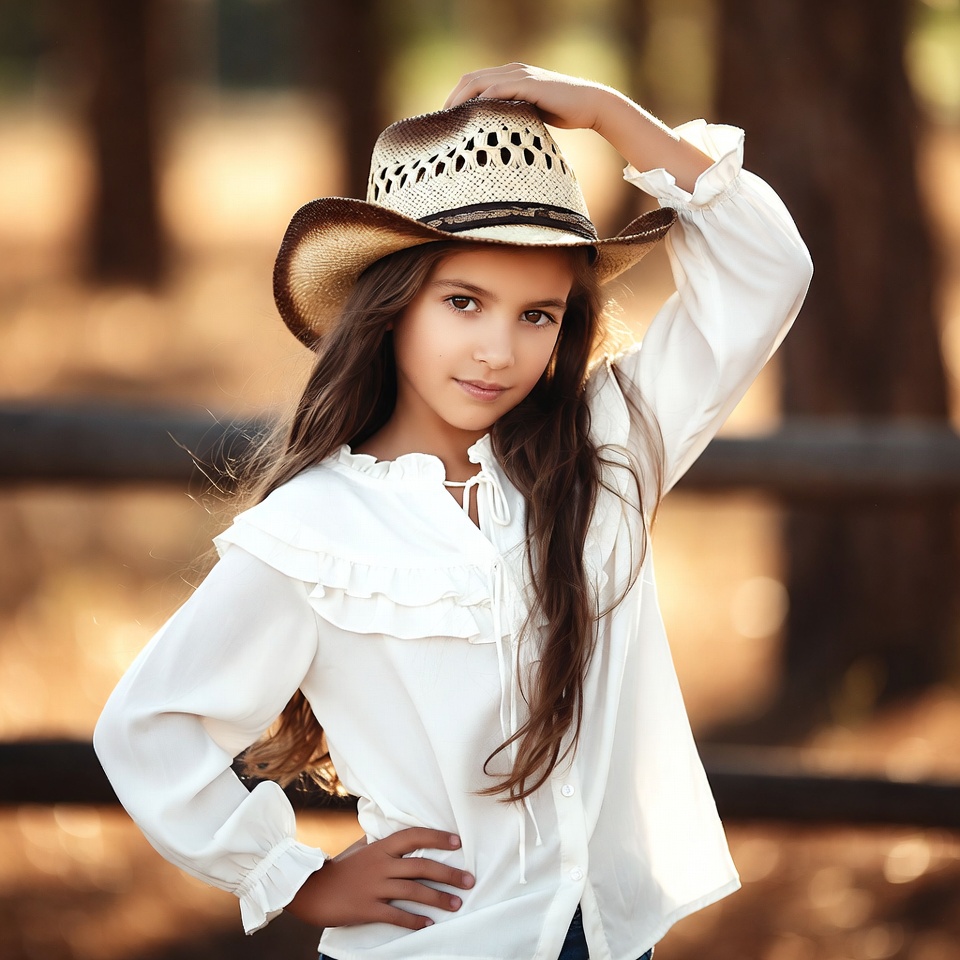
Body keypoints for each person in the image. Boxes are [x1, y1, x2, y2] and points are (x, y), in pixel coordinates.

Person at [94, 64, 812, 960]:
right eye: (463, 302)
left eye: (538, 315)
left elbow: (770, 272)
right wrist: (293, 876)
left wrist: (606, 114)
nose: (498, 351)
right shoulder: (316, 529)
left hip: (612, 942)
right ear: (391, 305)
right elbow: (149, 726)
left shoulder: (602, 454)